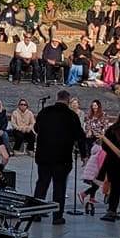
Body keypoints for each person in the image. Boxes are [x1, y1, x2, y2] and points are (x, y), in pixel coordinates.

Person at [31, 90, 83, 224]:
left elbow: (36, 128)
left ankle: (36, 213)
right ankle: (57, 216)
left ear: (57, 98)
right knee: (59, 187)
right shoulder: (71, 115)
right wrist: (84, 155)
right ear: (68, 100)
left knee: (42, 184)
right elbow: (79, 136)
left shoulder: (45, 112)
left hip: (43, 156)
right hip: (62, 157)